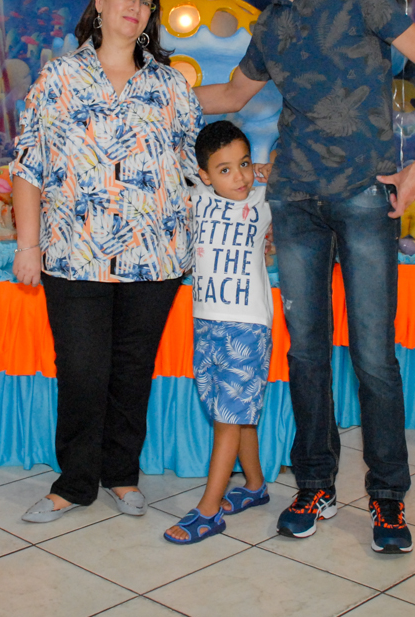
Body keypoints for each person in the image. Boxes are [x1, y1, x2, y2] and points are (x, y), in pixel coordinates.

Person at [194, 0, 415, 554]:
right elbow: (230, 95)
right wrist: (148, 87)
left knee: (373, 357)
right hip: (296, 201)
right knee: (306, 353)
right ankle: (314, 483)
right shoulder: (268, 26)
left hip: (368, 196)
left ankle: (389, 497)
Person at [11, 0, 203, 523]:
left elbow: (195, 171)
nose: (134, 6)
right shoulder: (58, 79)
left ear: (150, 17)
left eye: (146, 1)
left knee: (131, 370)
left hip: (156, 258)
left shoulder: (170, 86)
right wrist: (28, 246)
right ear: (99, 2)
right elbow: (28, 167)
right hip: (73, 256)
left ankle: (122, 474)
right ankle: (73, 483)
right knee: (82, 371)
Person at [165, 121, 273, 544]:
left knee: (228, 418)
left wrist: (261, 168)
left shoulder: (264, 199)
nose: (240, 176)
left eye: (243, 164)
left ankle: (209, 511)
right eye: (225, 169)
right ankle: (254, 487)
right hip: (205, 321)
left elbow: (290, 174)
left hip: (247, 325)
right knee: (229, 412)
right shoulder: (197, 197)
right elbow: (168, 164)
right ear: (205, 174)